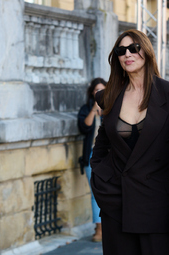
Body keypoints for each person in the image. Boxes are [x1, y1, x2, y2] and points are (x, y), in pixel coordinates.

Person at [90, 29, 169, 255]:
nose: (127, 54)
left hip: (157, 204)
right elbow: (102, 146)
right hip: (117, 203)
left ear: (147, 51)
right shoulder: (108, 96)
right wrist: (101, 182)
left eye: (134, 48)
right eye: (121, 50)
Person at [77, 77, 107, 242]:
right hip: (91, 156)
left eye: (102, 90)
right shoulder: (86, 109)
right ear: (92, 92)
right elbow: (84, 127)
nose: (99, 93)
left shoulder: (112, 108)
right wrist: (94, 110)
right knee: (95, 193)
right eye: (97, 90)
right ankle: (99, 228)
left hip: (109, 156)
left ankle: (109, 226)